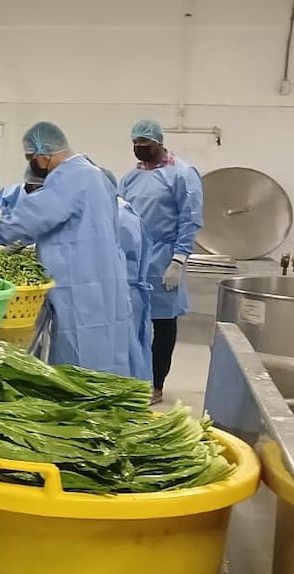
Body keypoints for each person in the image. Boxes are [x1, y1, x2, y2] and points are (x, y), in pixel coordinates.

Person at [0, 122, 131, 376]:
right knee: (103, 347)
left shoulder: (70, 176)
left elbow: (38, 213)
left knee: (78, 353)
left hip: (78, 279)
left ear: (43, 154)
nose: (32, 164)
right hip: (102, 275)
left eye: (31, 157)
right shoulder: (93, 174)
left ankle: (79, 404)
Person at [118, 119, 204, 403]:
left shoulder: (181, 174)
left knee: (163, 323)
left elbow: (189, 218)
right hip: (134, 260)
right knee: (133, 322)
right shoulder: (130, 178)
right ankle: (133, 379)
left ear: (159, 142)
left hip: (164, 258)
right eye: (135, 145)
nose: (140, 149)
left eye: (145, 144)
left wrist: (178, 259)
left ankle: (156, 384)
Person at [102, 168, 154, 383]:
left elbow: (108, 259)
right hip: (127, 292)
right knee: (131, 350)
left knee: (123, 356)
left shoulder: (117, 216)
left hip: (123, 292)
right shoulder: (119, 208)